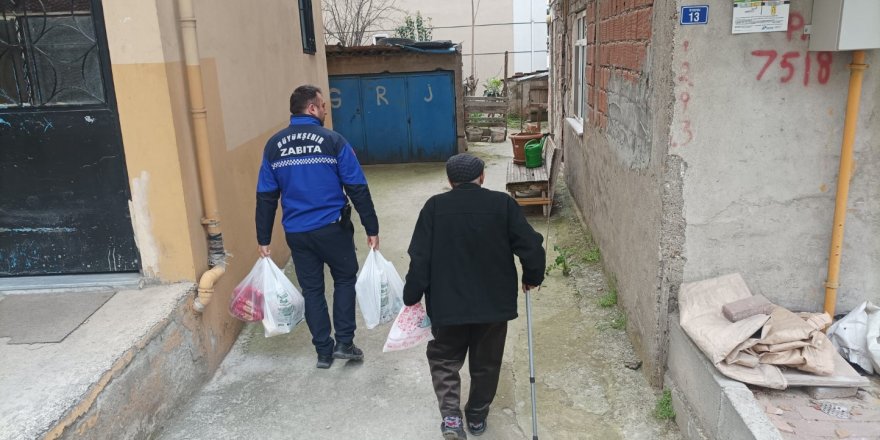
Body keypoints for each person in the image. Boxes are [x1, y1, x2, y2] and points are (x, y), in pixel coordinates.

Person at [402, 153, 545, 439]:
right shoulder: (502, 204)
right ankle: (477, 416)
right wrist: (532, 277)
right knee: (487, 361)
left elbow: (420, 258)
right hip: (494, 305)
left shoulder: (434, 208)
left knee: (444, 359)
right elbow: (531, 246)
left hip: (447, 305)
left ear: (450, 181)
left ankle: (452, 419)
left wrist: (412, 295)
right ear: (482, 177)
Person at [256, 85, 379, 369]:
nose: (325, 110)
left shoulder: (274, 145)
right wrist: (371, 227)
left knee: (312, 290)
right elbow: (357, 187)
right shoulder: (333, 141)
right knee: (345, 280)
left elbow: (266, 195)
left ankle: (323, 352)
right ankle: (344, 343)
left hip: (297, 233)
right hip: (332, 229)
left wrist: (263, 238)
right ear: (311, 108)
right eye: (323, 106)